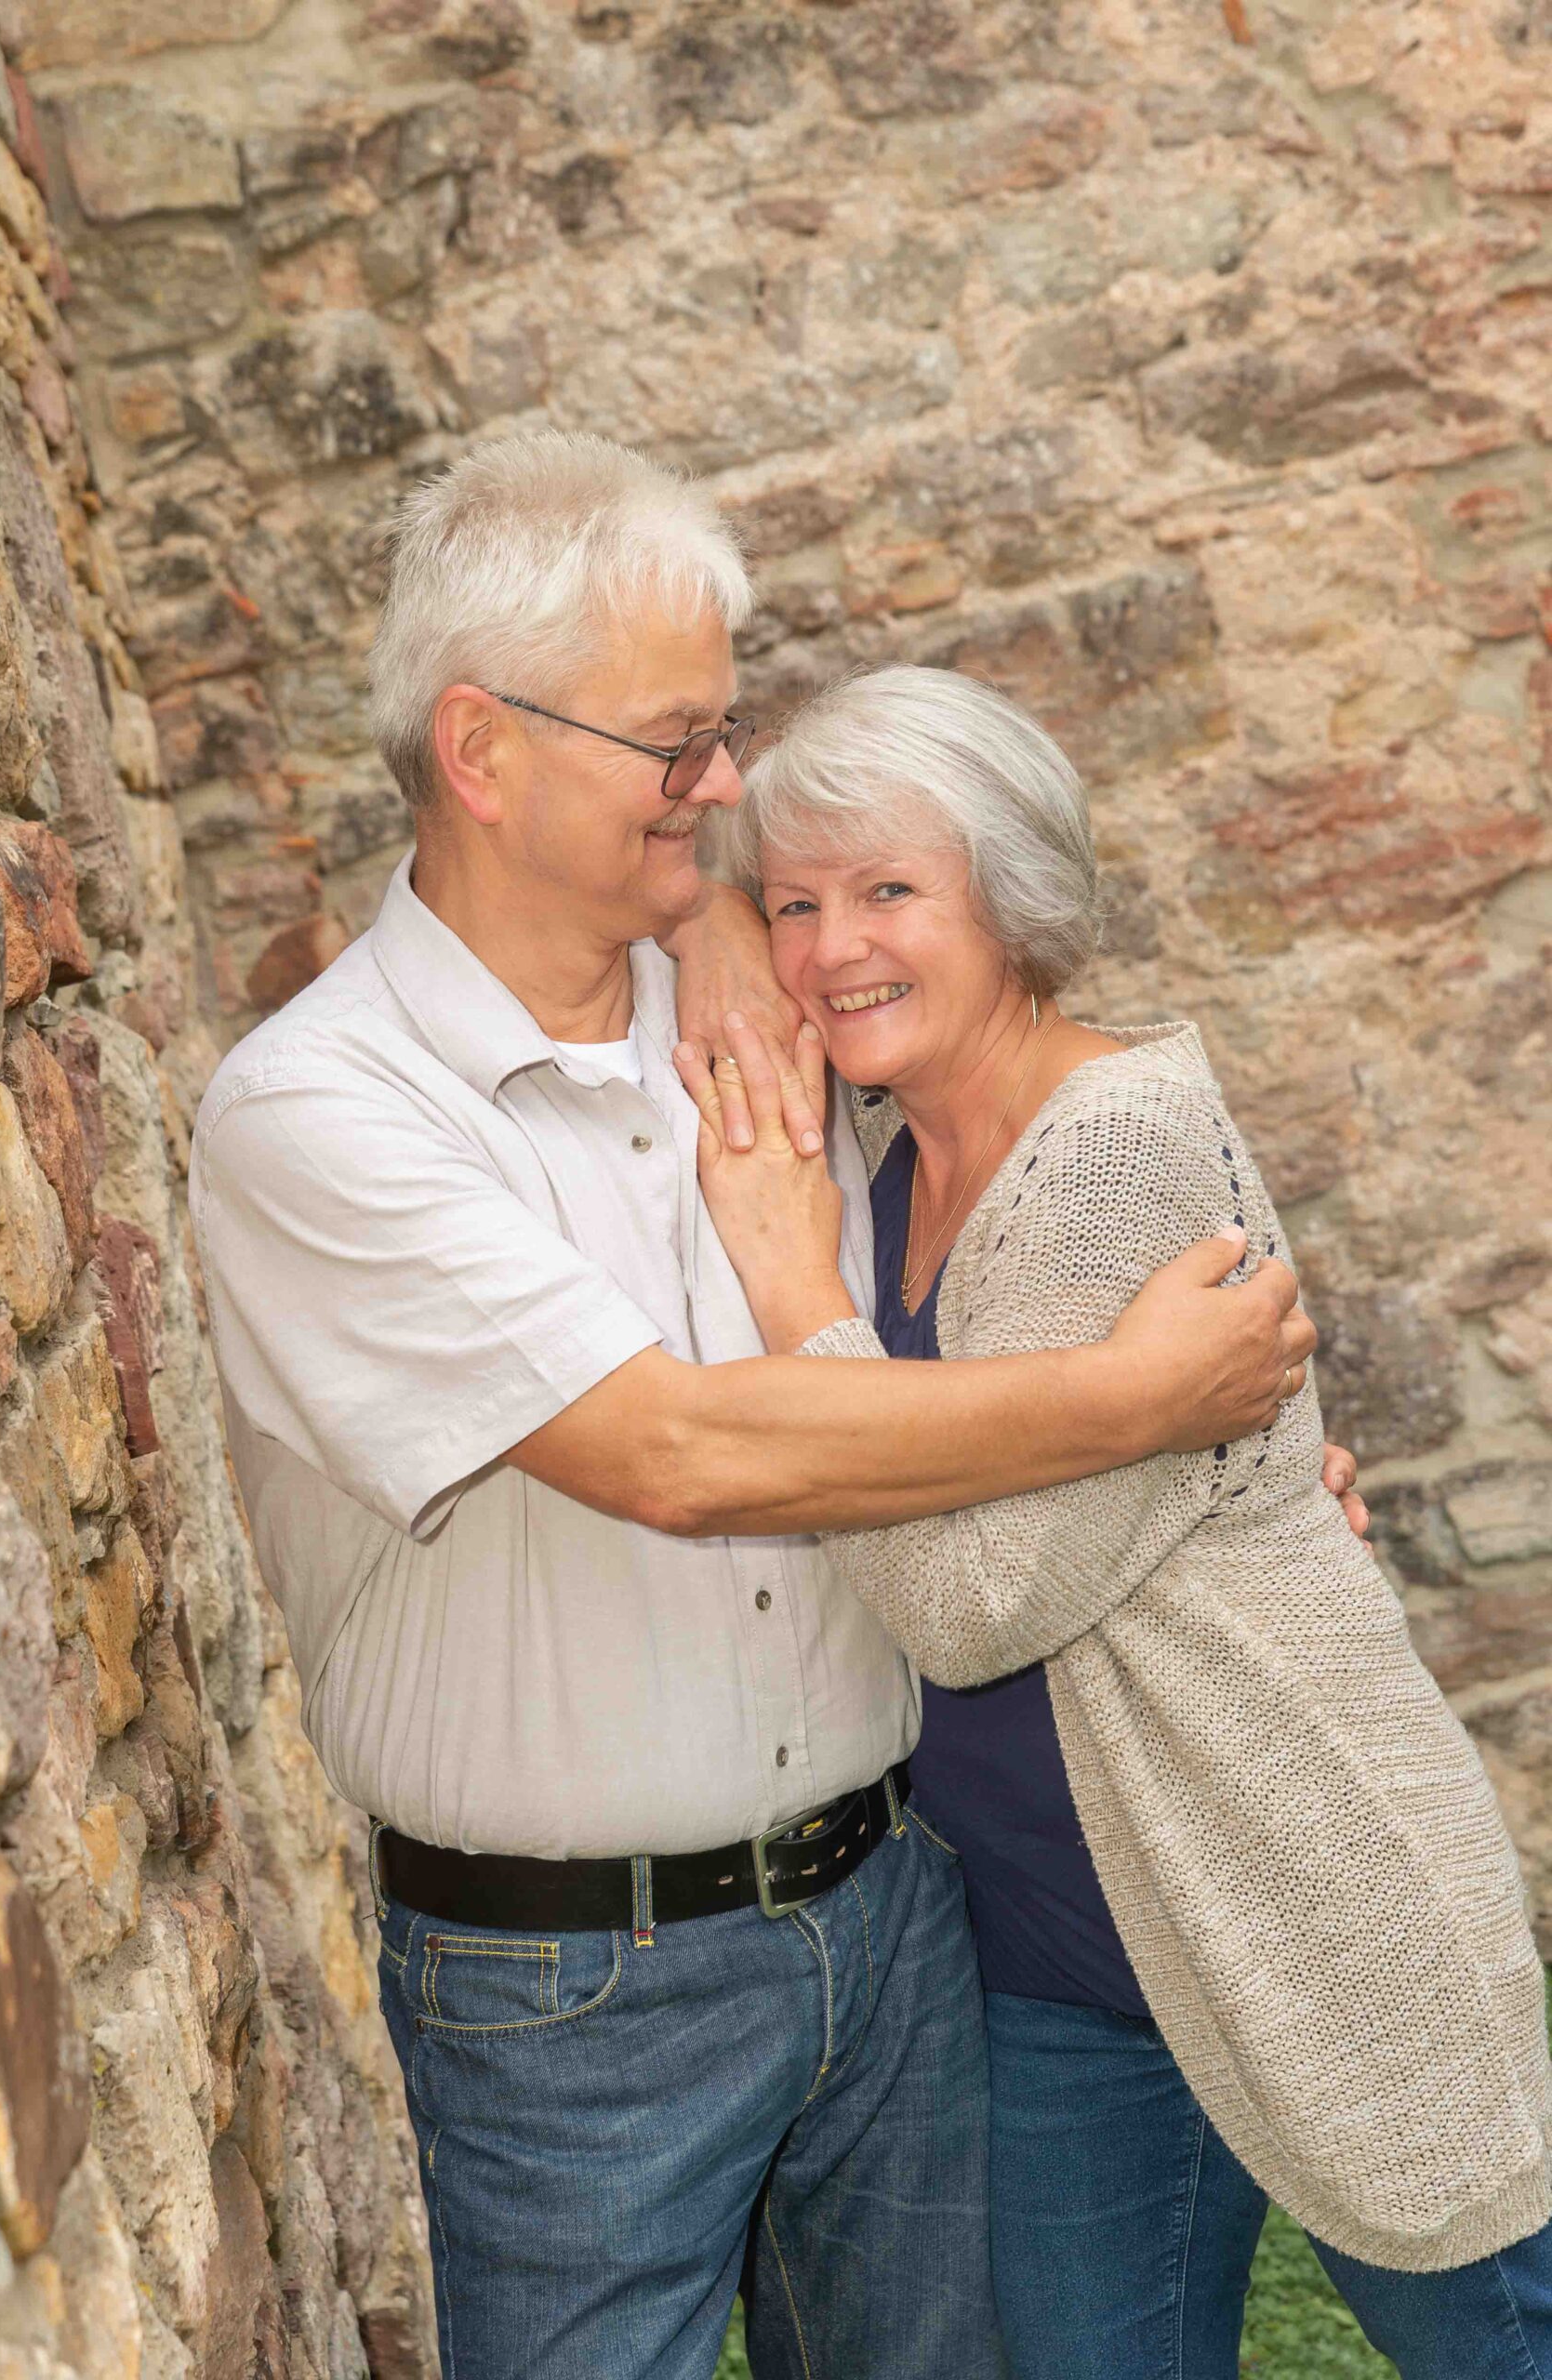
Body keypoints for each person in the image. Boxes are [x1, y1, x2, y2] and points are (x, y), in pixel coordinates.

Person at [187, 436, 1323, 2380]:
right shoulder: (319, 1115)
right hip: (571, 1995)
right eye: (677, 742)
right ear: (481, 751)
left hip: (897, 1916)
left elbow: (1023, 1156)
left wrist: (1247, 1466)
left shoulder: (765, 1004)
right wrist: (1136, 1400)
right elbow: (683, 1454)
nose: (721, 788)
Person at [677, 662, 1552, 2380]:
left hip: (1304, 1886)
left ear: (1012, 902)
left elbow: (970, 1604)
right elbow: (690, 899)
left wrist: (792, 1292)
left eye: (891, 893)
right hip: (1067, 1961)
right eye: (800, 905)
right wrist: (727, 909)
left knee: (1498, 2340)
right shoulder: (887, 1144)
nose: (835, 947)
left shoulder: (1116, 1148)